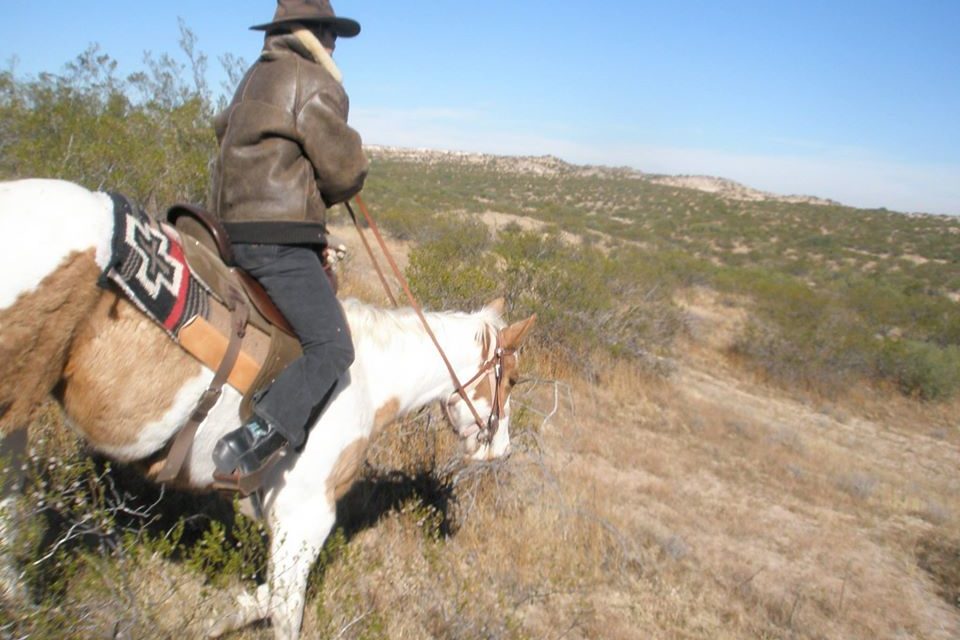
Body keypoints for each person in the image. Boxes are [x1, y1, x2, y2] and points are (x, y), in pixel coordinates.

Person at [210, 0, 368, 477]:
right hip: (276, 239)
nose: (334, 43)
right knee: (333, 347)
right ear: (311, 33)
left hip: (226, 230)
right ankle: (252, 441)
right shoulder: (315, 81)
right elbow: (345, 171)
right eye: (329, 32)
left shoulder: (252, 78)